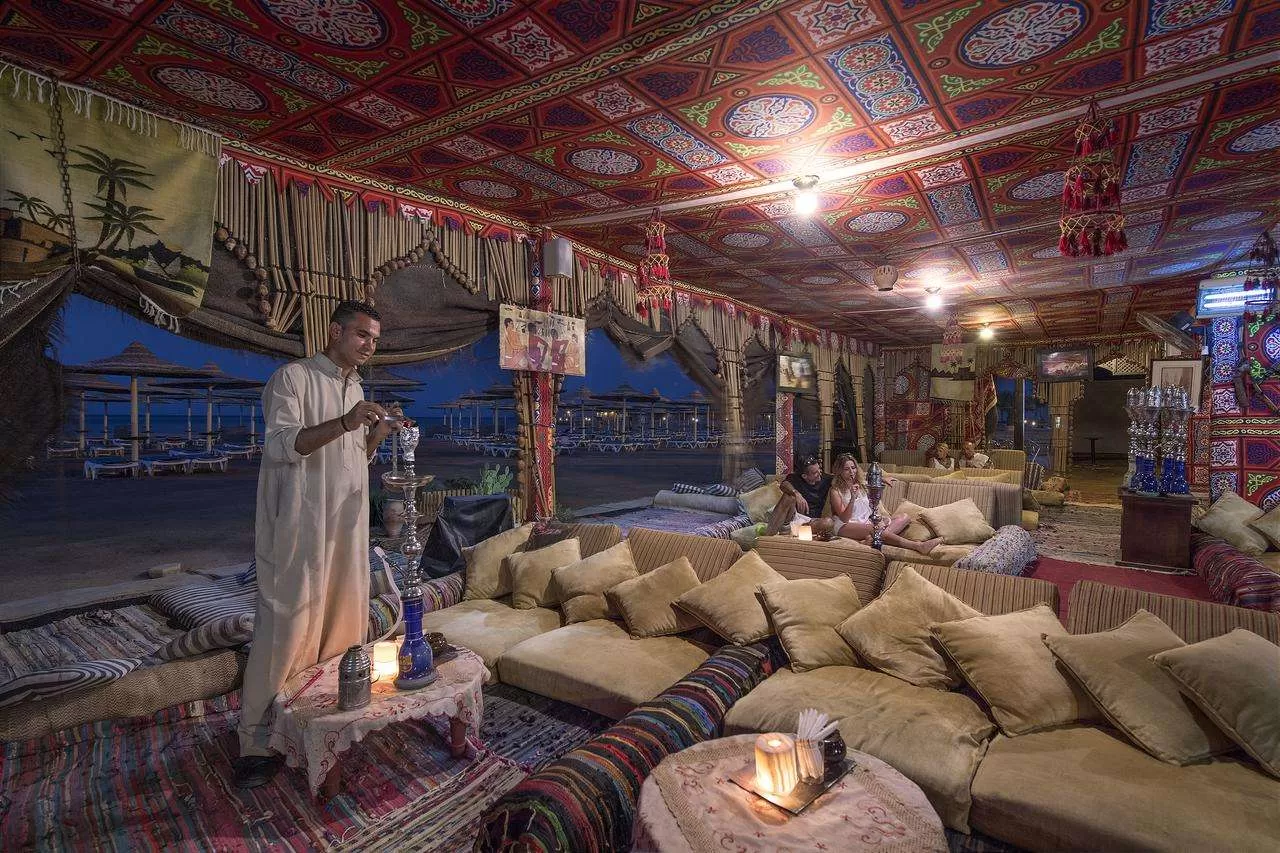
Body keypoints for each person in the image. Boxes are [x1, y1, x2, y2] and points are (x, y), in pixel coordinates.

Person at [233, 299, 401, 789]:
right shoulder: (293, 379)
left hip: (345, 527)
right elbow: (284, 445)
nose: (369, 346)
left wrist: (377, 434)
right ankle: (256, 743)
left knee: (343, 624)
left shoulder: (356, 388)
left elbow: (353, 461)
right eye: (362, 335)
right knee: (285, 630)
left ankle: (321, 723)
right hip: (300, 526)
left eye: (375, 339)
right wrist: (347, 421)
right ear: (334, 331)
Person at [822, 454, 942, 554]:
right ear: (839, 471)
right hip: (845, 525)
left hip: (866, 522)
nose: (851, 472)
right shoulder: (835, 491)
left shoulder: (862, 484)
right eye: (846, 469)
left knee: (904, 517)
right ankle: (917, 546)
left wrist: (883, 478)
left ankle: (874, 539)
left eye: (853, 468)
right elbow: (844, 518)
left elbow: (871, 478)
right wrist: (852, 498)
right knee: (875, 529)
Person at [765, 455, 831, 535]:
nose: (819, 473)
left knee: (828, 522)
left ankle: (791, 530)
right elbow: (784, 485)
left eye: (819, 469)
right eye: (815, 473)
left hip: (809, 521)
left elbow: (839, 477)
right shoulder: (796, 478)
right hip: (792, 516)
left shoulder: (826, 479)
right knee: (788, 496)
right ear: (804, 476)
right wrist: (796, 493)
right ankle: (768, 536)